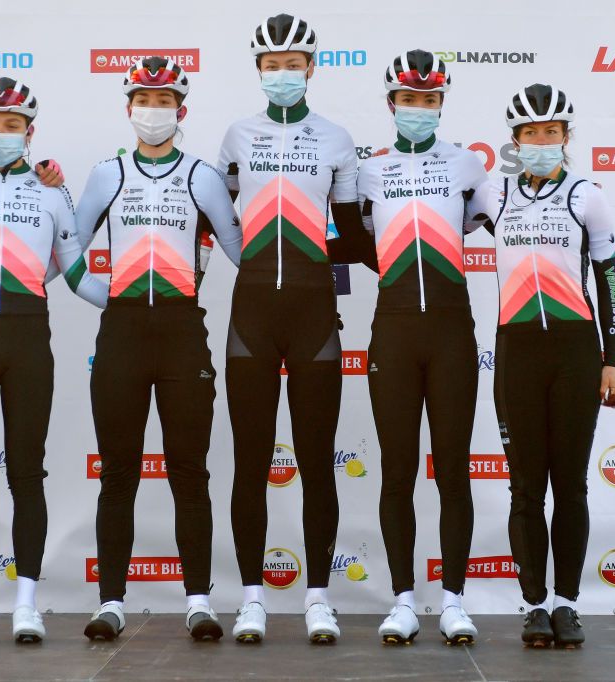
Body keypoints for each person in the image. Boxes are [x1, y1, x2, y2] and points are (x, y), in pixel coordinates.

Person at [0, 78, 108, 645]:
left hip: (30, 338)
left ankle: (27, 603)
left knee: (28, 474)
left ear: (29, 133)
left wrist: (136, 297)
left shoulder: (54, 192)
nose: (0, 133)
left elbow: (75, 271)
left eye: (11, 125)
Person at [73, 57, 243, 642]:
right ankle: (111, 602)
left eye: (164, 100)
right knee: (118, 474)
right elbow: (68, 251)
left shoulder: (201, 175)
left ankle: (198, 600)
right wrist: (110, 300)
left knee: (189, 473)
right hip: (121, 334)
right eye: (144, 100)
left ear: (181, 110)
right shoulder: (106, 174)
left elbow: (242, 250)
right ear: (128, 109)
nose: (153, 110)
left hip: (181, 333)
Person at [218, 13, 371, 644]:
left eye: (293, 63)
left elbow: (352, 235)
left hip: (313, 313)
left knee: (316, 461)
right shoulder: (236, 136)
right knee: (250, 461)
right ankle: (251, 597)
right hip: (252, 310)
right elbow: (217, 219)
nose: (282, 72)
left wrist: (409, 247)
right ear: (258, 70)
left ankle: (317, 598)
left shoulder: (336, 139)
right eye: (271, 63)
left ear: (311, 67)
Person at [470, 83, 615, 648]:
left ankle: (566, 605)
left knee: (573, 487)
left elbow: (608, 282)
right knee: (525, 489)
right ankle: (533, 605)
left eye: (551, 132)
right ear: (515, 141)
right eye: (530, 133)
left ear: (566, 137)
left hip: (575, 351)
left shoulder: (588, 195)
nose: (541, 141)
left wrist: (612, 361)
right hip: (516, 351)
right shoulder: (495, 194)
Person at [355, 50, 488, 645]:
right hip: (394, 326)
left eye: (430, 100)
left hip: (453, 329)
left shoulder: (468, 167)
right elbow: (351, 244)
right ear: (392, 104)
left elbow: (504, 231)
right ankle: (404, 601)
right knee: (397, 472)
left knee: (454, 470)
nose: (419, 109)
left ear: (442, 104)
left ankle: (455, 600)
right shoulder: (369, 172)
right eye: (409, 99)